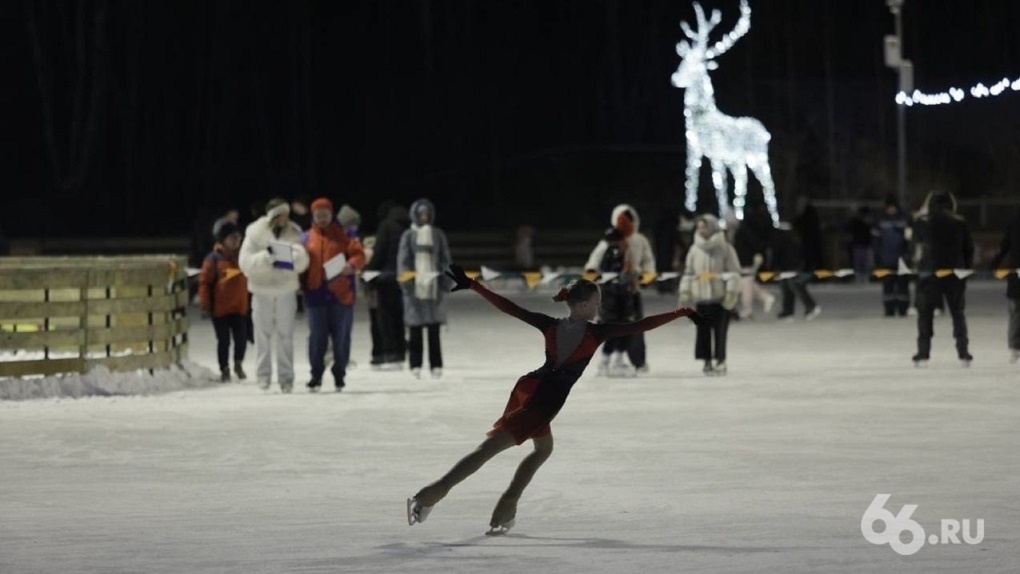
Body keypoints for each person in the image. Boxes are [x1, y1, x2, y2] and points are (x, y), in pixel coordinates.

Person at [407, 265, 702, 533]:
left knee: (543, 450)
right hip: (540, 405)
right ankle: (430, 494)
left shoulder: (551, 325)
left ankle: (506, 507)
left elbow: (510, 308)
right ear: (584, 305)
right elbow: (642, 325)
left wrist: (475, 285)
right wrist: (683, 312)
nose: (599, 307)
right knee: (488, 450)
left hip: (535, 391)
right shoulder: (596, 333)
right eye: (597, 303)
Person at [239, 197, 310, 392]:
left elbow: (303, 260)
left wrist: (295, 259)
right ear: (273, 216)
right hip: (262, 291)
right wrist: (267, 257)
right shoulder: (254, 233)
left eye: (288, 214)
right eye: (282, 215)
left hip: (286, 290)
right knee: (262, 334)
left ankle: (286, 378)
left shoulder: (294, 232)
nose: (286, 218)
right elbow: (245, 264)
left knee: (286, 334)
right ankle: (263, 376)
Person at [300, 198, 365, 392]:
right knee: (316, 338)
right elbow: (298, 264)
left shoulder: (345, 235)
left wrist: (351, 265)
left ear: (331, 215)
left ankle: (339, 375)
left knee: (341, 338)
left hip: (341, 296)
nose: (321, 219)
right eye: (318, 215)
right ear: (313, 216)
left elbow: (359, 255)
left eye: (325, 215)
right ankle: (316, 375)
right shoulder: (305, 238)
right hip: (315, 295)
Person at [583, 204, 656, 373]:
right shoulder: (608, 242)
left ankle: (637, 361)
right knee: (615, 325)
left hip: (632, 290)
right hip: (611, 293)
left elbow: (648, 260)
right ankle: (611, 358)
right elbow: (595, 259)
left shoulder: (640, 240)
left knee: (635, 326)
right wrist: (591, 272)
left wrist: (647, 276)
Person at [910, 191, 974, 366]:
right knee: (957, 314)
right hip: (954, 273)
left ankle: (923, 354)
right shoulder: (960, 223)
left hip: (929, 273)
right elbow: (968, 249)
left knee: (925, 314)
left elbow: (914, 246)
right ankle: (963, 353)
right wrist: (965, 271)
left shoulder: (922, 223)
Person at [678, 214, 740, 375]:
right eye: (699, 227)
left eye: (704, 227)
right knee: (703, 332)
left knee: (720, 332)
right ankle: (706, 361)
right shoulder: (694, 249)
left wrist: (731, 293)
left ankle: (720, 360)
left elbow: (733, 272)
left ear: (712, 227)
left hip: (720, 299)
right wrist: (685, 291)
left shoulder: (725, 248)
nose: (702, 230)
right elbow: (689, 272)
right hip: (702, 298)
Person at [398, 198, 451, 378]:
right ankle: (415, 364)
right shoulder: (408, 236)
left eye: (426, 214)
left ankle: (436, 365)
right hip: (415, 287)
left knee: (434, 328)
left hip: (434, 287)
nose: (424, 217)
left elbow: (445, 259)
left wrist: (447, 279)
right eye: (420, 214)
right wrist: (407, 283)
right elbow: (403, 261)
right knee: (415, 329)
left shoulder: (437, 235)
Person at [198, 222, 249, 382]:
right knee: (224, 341)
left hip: (239, 308)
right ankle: (224, 368)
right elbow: (204, 283)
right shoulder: (213, 259)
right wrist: (205, 305)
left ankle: (238, 363)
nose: (236, 241)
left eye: (238, 238)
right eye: (232, 238)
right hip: (220, 310)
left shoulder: (243, 257)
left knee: (241, 338)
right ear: (222, 240)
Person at [366, 201, 410, 370]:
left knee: (385, 317)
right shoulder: (408, 227)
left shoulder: (386, 226)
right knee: (399, 316)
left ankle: (390, 352)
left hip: (385, 279)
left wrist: (370, 273)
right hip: (404, 278)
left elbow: (380, 251)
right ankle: (400, 352)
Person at [592, 227, 638, 377]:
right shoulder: (611, 253)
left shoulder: (624, 253)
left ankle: (619, 359)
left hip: (623, 296)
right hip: (611, 297)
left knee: (624, 328)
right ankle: (605, 362)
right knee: (613, 329)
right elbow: (608, 277)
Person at [771, 223, 821, 321]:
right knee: (787, 287)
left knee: (795, 286)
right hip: (790, 268)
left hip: (791, 268)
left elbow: (781, 255)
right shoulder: (794, 239)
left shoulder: (786, 240)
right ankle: (788, 312)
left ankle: (811, 306)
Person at [733, 205, 775, 320]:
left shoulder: (744, 229)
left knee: (746, 284)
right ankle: (765, 297)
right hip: (744, 260)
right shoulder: (748, 228)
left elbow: (752, 244)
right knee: (746, 283)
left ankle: (748, 308)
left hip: (745, 260)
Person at [990, 206, 1020, 363]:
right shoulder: (1014, 224)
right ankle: (1015, 348)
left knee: (1015, 311)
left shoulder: (1013, 223)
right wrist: (995, 263)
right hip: (1016, 274)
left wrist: (994, 263)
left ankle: (1015, 348)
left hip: (1015, 274)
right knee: (1015, 310)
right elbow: (1004, 247)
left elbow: (1004, 247)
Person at [872, 196, 910, 316]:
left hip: (902, 259)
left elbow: (910, 240)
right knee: (888, 285)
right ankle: (889, 309)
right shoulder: (880, 221)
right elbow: (876, 241)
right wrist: (877, 256)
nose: (892, 209)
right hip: (886, 259)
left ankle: (903, 309)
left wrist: (908, 254)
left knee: (903, 286)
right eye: (890, 207)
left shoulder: (904, 220)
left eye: (893, 207)